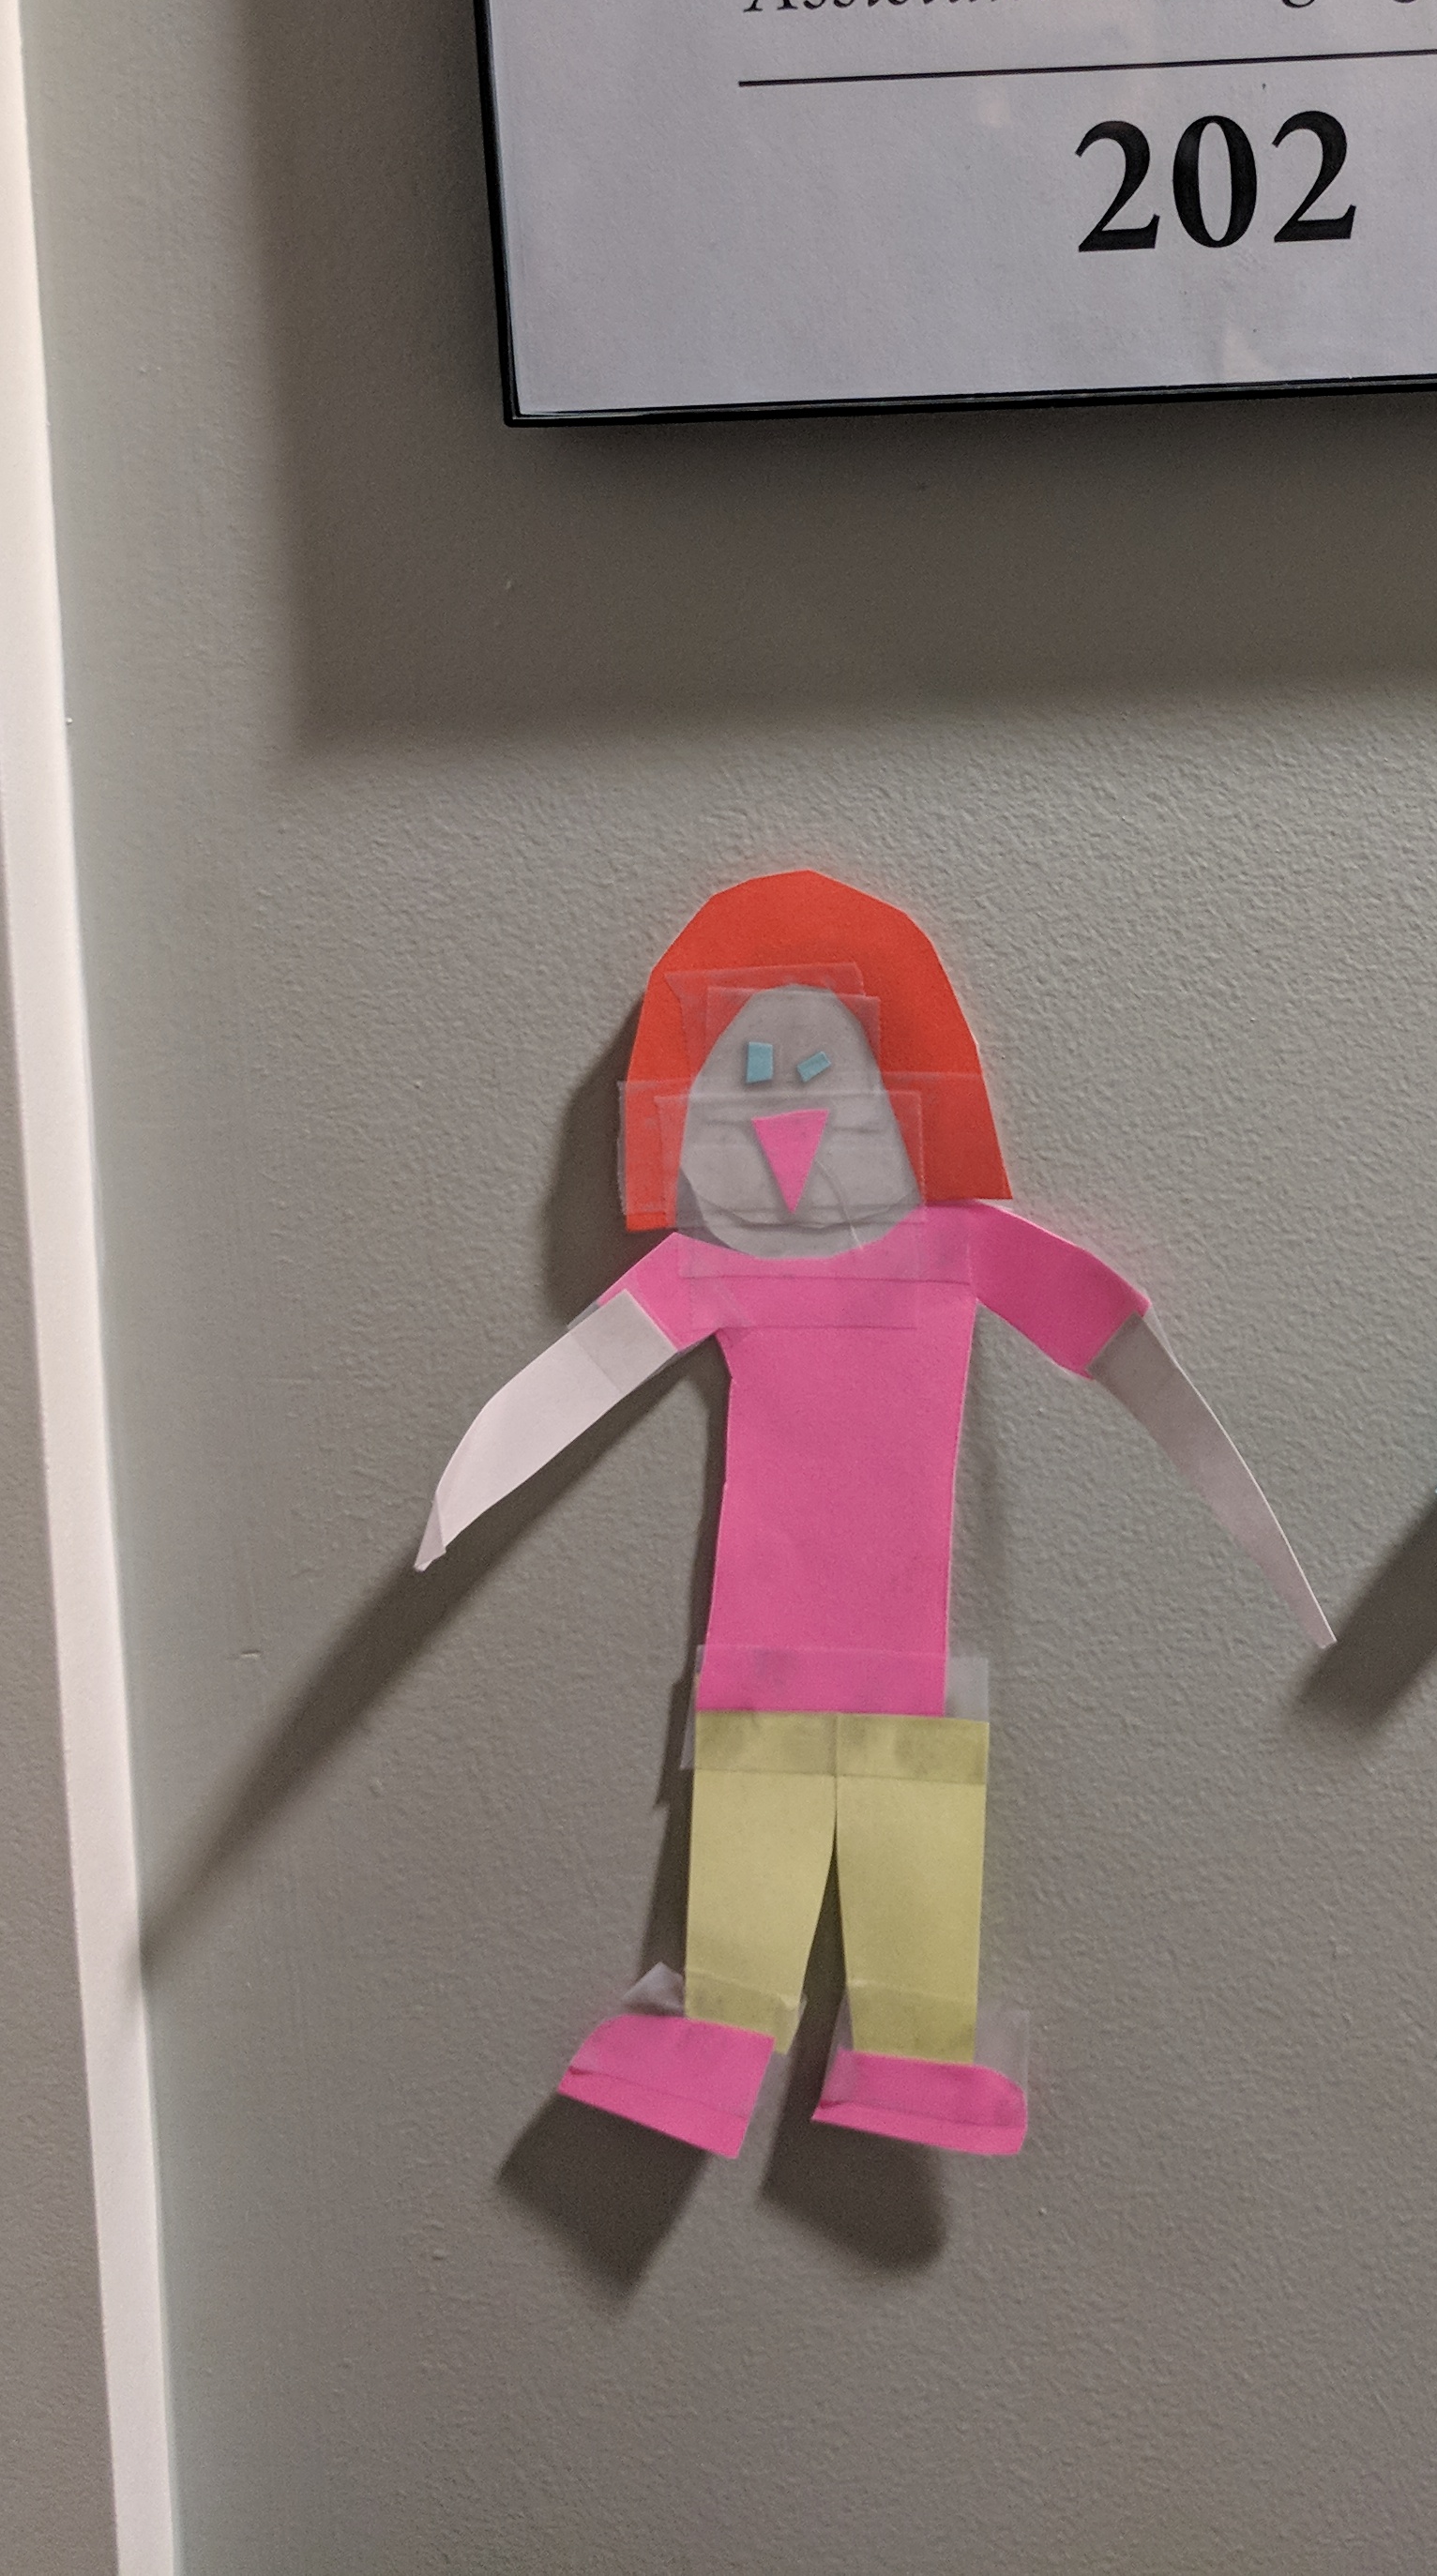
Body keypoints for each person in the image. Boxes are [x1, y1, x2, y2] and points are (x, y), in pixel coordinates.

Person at [418, 869, 1327, 2159]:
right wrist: (457, 1502)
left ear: (909, 1091)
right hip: (768, 1658)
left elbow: (1123, 1350)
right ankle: (722, 2047)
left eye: (816, 1072)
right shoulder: (717, 1265)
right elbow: (574, 1380)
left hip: (895, 1664)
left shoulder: (957, 1249)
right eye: (751, 1074)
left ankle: (902, 2058)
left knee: (910, 1860)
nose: (788, 1115)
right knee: (763, 1858)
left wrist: (1261, 1541)